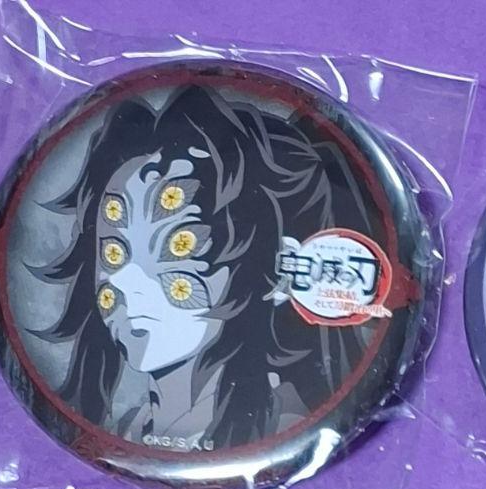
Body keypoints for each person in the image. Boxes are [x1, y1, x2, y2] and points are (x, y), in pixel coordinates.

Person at [35, 83, 379, 451]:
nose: (125, 280)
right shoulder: (129, 427)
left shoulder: (288, 423)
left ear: (271, 268)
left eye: (179, 245)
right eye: (115, 251)